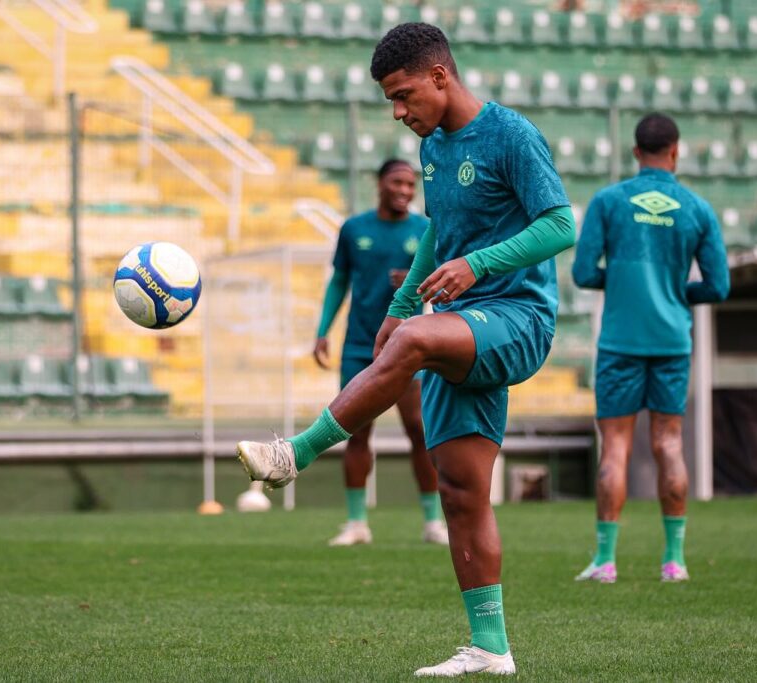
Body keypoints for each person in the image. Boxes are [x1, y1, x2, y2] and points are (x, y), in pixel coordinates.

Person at [237, 23, 576, 677]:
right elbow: (438, 232)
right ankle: (490, 647)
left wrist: (475, 266)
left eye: (403, 95)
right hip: (459, 320)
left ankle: (294, 453)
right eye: (390, 101)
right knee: (460, 491)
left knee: (419, 339)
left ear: (440, 77)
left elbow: (560, 223)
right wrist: (396, 311)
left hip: (517, 318)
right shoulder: (434, 148)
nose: (398, 113)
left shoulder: (511, 134)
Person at [571, 112, 730, 584]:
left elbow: (582, 274)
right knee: (668, 444)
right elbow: (718, 287)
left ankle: (605, 562)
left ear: (636, 152)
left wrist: (618, 281)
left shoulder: (609, 201)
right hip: (671, 342)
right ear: (675, 152)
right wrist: (679, 291)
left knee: (615, 447)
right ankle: (674, 561)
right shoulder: (698, 209)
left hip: (621, 340)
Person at [313, 158, 448, 547]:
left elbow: (442, 286)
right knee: (354, 432)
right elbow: (339, 281)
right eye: (398, 183)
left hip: (408, 346)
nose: (405, 191)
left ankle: (431, 521)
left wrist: (416, 283)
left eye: (410, 185)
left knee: (419, 432)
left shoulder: (424, 230)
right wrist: (323, 331)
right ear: (380, 184)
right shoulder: (354, 229)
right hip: (359, 345)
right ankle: (357, 523)